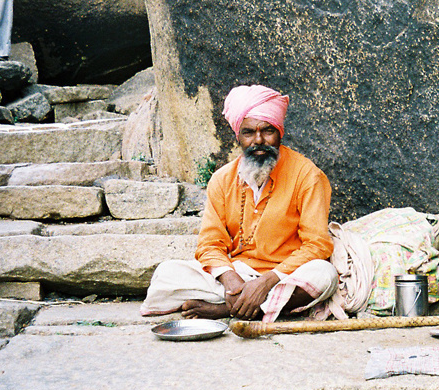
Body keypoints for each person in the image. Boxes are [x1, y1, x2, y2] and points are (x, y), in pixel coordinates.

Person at [141, 84, 339, 321]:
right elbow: (209, 243)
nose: (259, 140)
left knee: (324, 275)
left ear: (280, 132)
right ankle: (251, 302)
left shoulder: (307, 176)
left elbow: (317, 245)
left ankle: (226, 309)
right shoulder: (222, 179)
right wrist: (229, 279)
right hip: (238, 272)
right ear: (237, 135)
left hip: (284, 273)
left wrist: (266, 282)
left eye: (268, 131)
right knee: (167, 273)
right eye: (248, 132)